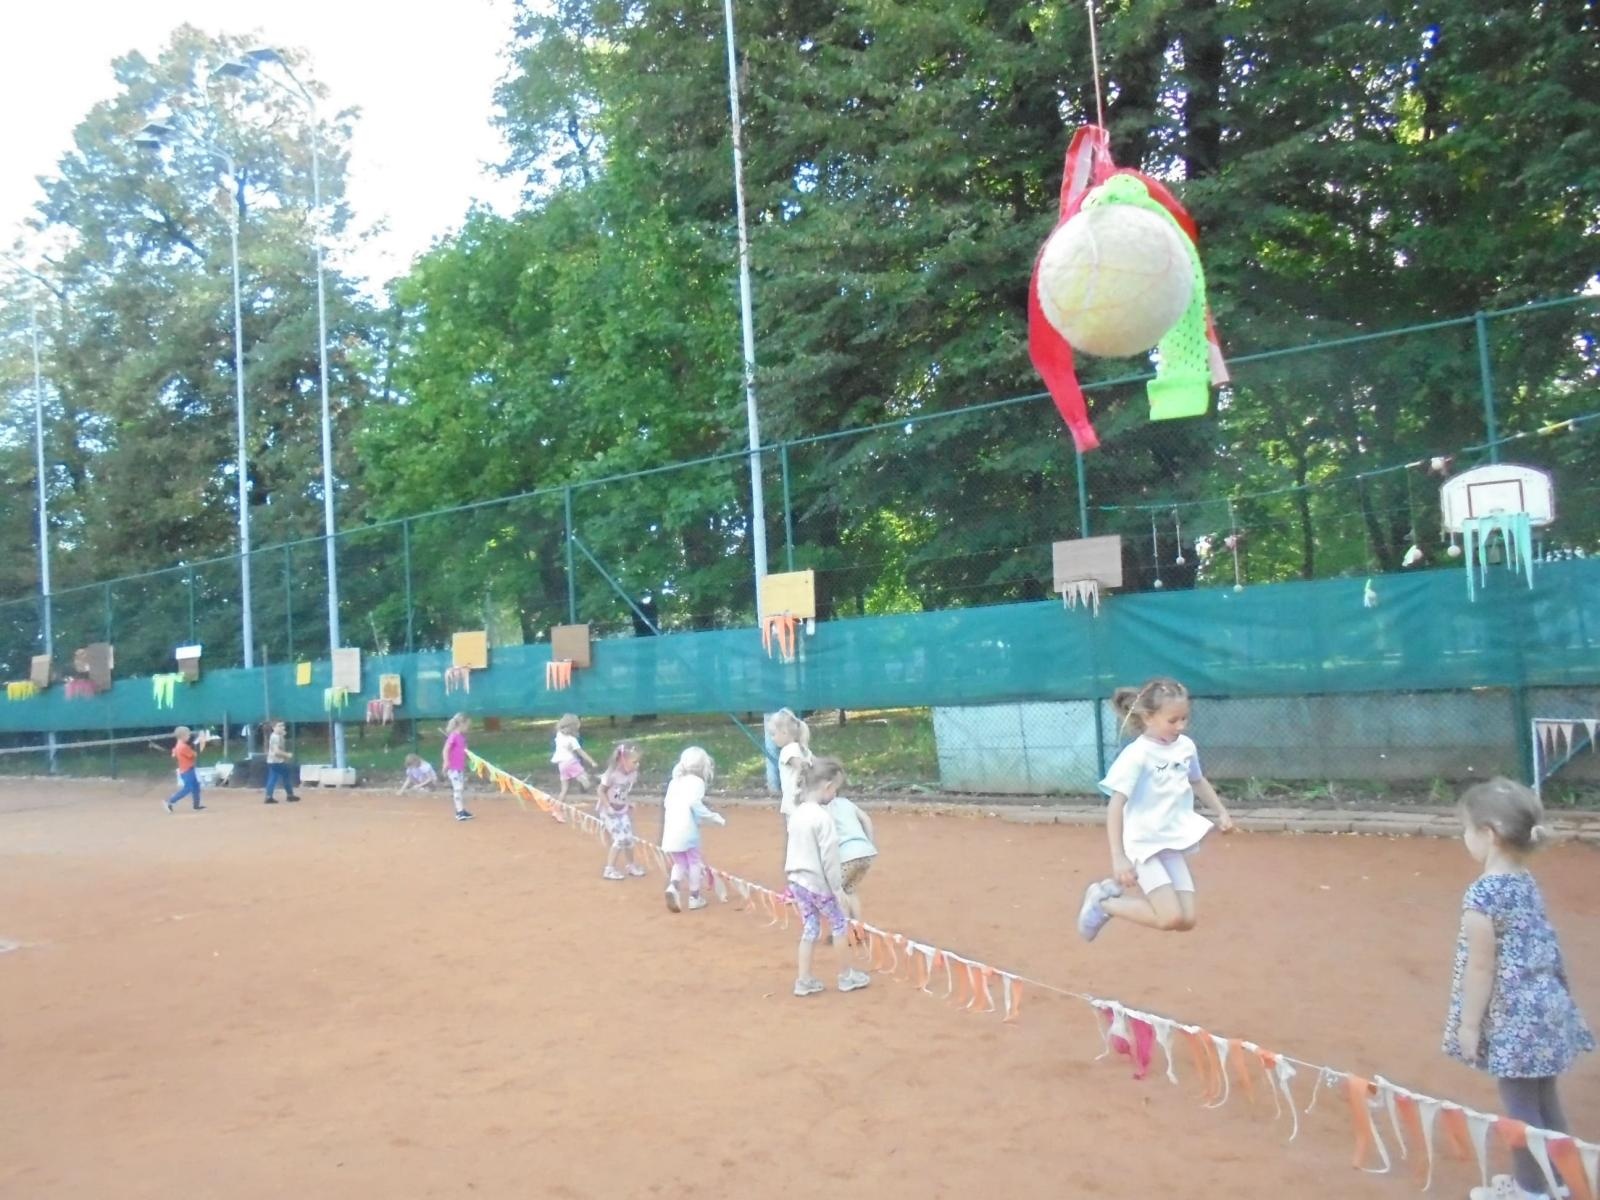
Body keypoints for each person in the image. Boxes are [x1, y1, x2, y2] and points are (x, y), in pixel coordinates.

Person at [1444, 778, 1593, 1200]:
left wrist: (1469, 1026)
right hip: (1549, 1009)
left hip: (1515, 1021)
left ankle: (1531, 1191)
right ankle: (1560, 1182)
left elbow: (1480, 966)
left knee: (1521, 1111)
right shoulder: (1525, 882)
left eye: (1467, 829)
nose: (1464, 837)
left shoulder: (1483, 896)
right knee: (1546, 1101)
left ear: (1488, 834)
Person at [1077, 677, 1233, 942]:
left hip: (1170, 843)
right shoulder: (1137, 755)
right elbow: (1116, 805)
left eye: (1185, 718)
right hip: (1144, 845)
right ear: (1149, 718)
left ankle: (1105, 902)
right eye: (1173, 720)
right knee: (1169, 917)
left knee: (1187, 920)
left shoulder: (1185, 747)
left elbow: (1197, 779)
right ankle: (1103, 904)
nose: (1181, 726)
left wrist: (1221, 811)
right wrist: (1119, 857)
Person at [786, 756, 871, 997]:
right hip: (818, 884)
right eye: (835, 788)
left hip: (797, 881)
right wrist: (837, 890)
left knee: (810, 929)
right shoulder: (823, 818)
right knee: (839, 925)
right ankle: (846, 976)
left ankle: (803, 980)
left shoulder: (798, 813)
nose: (835, 794)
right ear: (826, 787)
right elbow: (830, 860)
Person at [660, 747, 724, 913]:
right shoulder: (697, 782)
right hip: (687, 831)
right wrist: (713, 817)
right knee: (694, 862)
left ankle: (673, 886)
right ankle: (694, 897)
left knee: (679, 862)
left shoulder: (674, 782)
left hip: (670, 829)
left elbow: (668, 804)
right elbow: (695, 804)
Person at [819, 761, 877, 923]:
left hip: (847, 855)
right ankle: (858, 927)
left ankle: (844, 931)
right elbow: (866, 819)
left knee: (836, 892)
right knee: (850, 890)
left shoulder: (825, 809)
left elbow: (828, 833)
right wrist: (869, 842)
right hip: (866, 853)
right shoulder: (846, 803)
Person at [595, 741, 646, 881]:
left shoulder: (633, 774)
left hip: (622, 810)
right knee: (620, 839)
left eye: (638, 762)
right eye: (634, 762)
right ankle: (609, 869)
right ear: (623, 760)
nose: (637, 765)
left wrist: (627, 803)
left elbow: (622, 792)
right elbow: (600, 791)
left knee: (629, 838)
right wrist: (608, 807)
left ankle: (631, 865)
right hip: (608, 811)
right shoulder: (611, 774)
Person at [766, 707, 812, 826]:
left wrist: (799, 790)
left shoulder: (788, 750)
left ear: (784, 732)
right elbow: (813, 766)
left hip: (795, 802)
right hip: (807, 801)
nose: (772, 738)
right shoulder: (804, 749)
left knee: (796, 838)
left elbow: (802, 768)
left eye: (773, 734)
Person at [551, 713, 598, 805]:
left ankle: (557, 808)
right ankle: (593, 787)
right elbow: (581, 752)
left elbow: (559, 727)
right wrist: (592, 762)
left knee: (564, 789)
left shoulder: (558, 735)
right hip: (570, 762)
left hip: (561, 765)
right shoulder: (572, 740)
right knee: (586, 779)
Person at [164, 726, 209, 813]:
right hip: (187, 771)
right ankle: (170, 801)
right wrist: (203, 743)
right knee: (188, 788)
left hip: (187, 770)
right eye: (188, 735)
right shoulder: (183, 747)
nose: (189, 737)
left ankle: (196, 806)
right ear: (183, 736)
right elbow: (195, 754)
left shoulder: (178, 746)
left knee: (196, 787)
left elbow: (174, 754)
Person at [442, 713, 474, 822]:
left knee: (460, 788)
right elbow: (446, 749)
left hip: (460, 767)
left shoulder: (461, 737)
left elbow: (463, 751)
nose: (468, 728)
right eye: (467, 725)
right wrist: (446, 762)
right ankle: (459, 812)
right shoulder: (454, 736)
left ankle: (461, 810)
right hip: (453, 768)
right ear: (461, 724)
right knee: (458, 788)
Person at [263, 720, 299, 804]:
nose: (282, 728)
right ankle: (289, 796)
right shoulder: (275, 737)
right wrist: (287, 755)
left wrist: (282, 735)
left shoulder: (278, 736)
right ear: (274, 727)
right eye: (279, 726)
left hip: (275, 761)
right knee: (279, 777)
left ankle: (270, 796)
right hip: (276, 761)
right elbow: (276, 751)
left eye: (282, 726)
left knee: (276, 777)